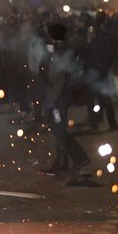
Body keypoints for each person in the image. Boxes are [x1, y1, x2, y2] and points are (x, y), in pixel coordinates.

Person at [40, 24, 90, 177]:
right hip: (64, 96)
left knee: (59, 129)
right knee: (58, 128)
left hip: (58, 99)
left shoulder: (59, 52)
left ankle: (79, 157)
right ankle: (61, 161)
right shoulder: (66, 49)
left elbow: (58, 79)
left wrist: (51, 102)